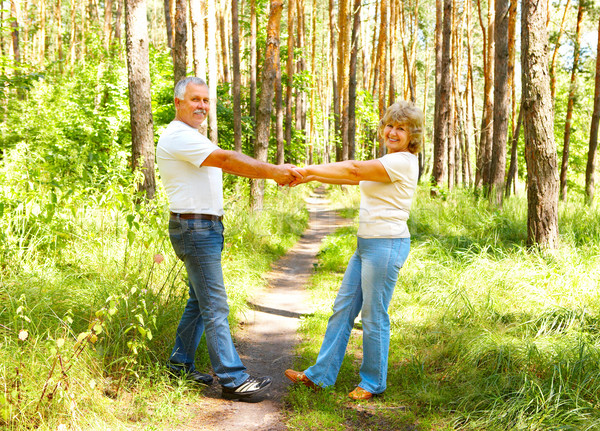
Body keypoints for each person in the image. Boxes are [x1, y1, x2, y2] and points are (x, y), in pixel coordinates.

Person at [157, 76, 300, 399]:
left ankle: (179, 365)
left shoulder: (191, 136)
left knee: (199, 301)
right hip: (195, 229)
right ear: (179, 102)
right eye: (195, 100)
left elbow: (223, 158)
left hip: (203, 228)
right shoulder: (179, 136)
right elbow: (226, 160)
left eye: (206, 101)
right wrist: (274, 171)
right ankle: (233, 379)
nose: (202, 106)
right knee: (215, 305)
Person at [285, 100, 423, 400]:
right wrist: (309, 176)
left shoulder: (402, 162)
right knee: (343, 310)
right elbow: (352, 173)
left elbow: (352, 170)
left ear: (413, 136)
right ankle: (320, 376)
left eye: (402, 128)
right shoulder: (388, 159)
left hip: (387, 245)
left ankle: (373, 383)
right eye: (389, 125)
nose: (393, 132)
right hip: (366, 246)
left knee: (374, 317)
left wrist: (308, 170)